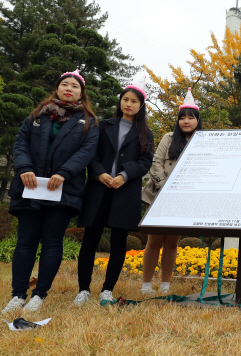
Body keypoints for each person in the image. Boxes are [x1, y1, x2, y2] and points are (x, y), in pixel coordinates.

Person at [2, 70, 99, 313]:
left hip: (63, 191)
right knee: (25, 242)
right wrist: (23, 167)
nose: (69, 88)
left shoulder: (88, 121)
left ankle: (39, 295)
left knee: (52, 242)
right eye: (64, 84)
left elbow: (87, 152)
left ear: (81, 92)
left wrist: (64, 172)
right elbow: (21, 143)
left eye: (74, 86)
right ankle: (17, 295)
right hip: (31, 187)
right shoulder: (37, 116)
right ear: (57, 89)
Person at [74, 78, 153, 306]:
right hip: (99, 189)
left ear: (141, 106)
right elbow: (91, 154)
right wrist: (99, 173)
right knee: (91, 239)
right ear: (120, 102)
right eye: (125, 99)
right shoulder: (102, 125)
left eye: (134, 101)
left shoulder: (145, 133)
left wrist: (124, 175)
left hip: (124, 192)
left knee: (119, 241)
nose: (128, 104)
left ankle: (107, 289)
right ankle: (83, 289)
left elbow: (145, 161)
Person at [140, 88, 201, 294]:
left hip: (184, 200)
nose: (186, 121)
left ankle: (166, 284)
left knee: (173, 241)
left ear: (197, 120)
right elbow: (156, 162)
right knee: (154, 239)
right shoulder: (168, 137)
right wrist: (165, 188)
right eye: (182, 117)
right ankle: (146, 284)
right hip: (159, 195)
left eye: (191, 117)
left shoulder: (203, 141)